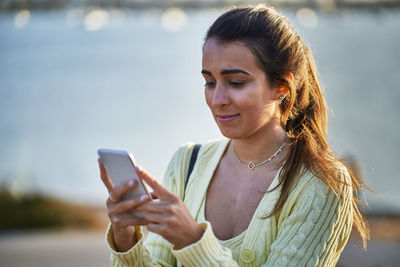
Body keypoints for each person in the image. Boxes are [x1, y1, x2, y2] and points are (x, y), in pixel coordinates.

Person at [98, 4, 369, 266]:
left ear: (281, 88)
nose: (217, 100)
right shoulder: (187, 163)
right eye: (210, 82)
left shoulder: (321, 183)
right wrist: (126, 239)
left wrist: (193, 241)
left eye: (236, 83)